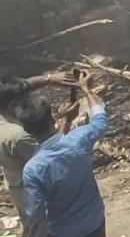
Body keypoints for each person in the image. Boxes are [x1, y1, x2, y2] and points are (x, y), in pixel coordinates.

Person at [19, 73, 107, 237]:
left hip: (63, 231)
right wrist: (86, 90)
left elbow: (35, 214)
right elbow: (100, 120)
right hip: (94, 222)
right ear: (52, 117)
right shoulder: (79, 139)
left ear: (27, 130)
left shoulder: (33, 169)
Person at [1, 72, 66, 237]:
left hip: (17, 186)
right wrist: (67, 123)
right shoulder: (18, 136)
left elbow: (20, 87)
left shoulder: (5, 123)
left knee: (31, 227)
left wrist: (50, 78)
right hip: (34, 192)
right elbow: (52, 156)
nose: (27, 101)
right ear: (11, 105)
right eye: (24, 98)